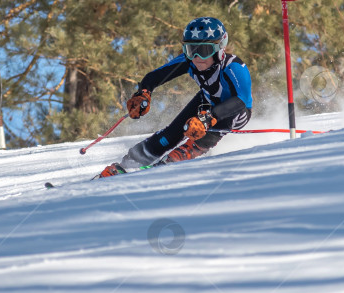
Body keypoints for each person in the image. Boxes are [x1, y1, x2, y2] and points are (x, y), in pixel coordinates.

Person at [99, 17, 253, 178]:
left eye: (205, 50)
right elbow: (155, 76)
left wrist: (210, 117)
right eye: (191, 50)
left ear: (220, 48)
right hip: (206, 101)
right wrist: (144, 93)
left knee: (200, 131)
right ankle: (131, 162)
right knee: (170, 135)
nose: (197, 57)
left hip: (236, 111)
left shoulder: (233, 66)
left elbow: (241, 100)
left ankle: (180, 156)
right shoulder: (189, 62)